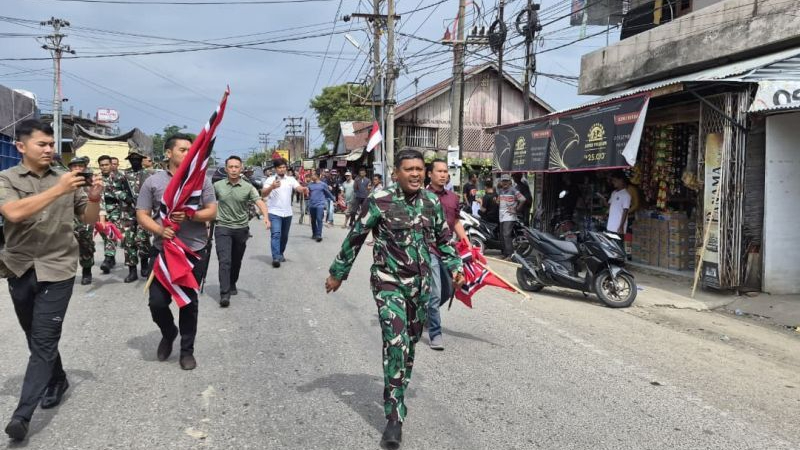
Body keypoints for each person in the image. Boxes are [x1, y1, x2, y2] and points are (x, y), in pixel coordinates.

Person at [325, 149, 464, 449]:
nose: (415, 174)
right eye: (409, 169)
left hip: (420, 286)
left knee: (409, 344)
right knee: (396, 341)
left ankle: (396, 387)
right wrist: (338, 272)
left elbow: (443, 239)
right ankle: (394, 416)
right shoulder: (379, 200)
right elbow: (356, 237)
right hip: (388, 282)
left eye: (419, 169)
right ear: (396, 173)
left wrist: (456, 268)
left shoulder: (431, 203)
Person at [0, 120, 104, 441]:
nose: (49, 150)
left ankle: (22, 415)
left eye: (51, 144)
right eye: (42, 144)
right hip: (19, 267)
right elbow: (14, 213)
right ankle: (57, 378)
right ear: (21, 147)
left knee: (44, 338)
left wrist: (94, 198)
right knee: (35, 335)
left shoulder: (66, 179)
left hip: (58, 268)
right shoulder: (6, 178)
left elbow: (86, 219)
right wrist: (59, 189)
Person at [136, 133, 218, 371]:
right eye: (183, 150)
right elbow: (142, 213)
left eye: (191, 150)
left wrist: (192, 215)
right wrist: (160, 230)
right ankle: (169, 331)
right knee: (157, 303)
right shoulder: (153, 182)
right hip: (163, 251)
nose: (188, 153)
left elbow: (211, 211)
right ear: (169, 153)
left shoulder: (201, 181)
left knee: (188, 304)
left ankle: (186, 351)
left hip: (193, 250)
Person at [213, 156, 269, 307]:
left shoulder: (248, 187)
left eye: (236, 167)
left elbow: (259, 202)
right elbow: (209, 204)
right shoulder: (217, 186)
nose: (233, 169)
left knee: (236, 261)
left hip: (241, 229)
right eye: (230, 167)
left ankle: (232, 283)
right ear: (226, 169)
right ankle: (224, 294)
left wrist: (266, 217)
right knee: (225, 261)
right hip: (222, 227)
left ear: (241, 168)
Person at [426, 159, 470, 351]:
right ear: (430, 174)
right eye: (439, 171)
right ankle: (435, 333)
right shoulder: (422, 196)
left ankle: (426, 313)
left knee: (447, 290)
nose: (443, 175)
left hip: (448, 249)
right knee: (435, 293)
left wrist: (466, 241)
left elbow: (456, 221)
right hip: (428, 249)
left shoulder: (453, 197)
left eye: (446, 171)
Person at [261, 158, 308, 268]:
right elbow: (263, 194)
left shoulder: (290, 179)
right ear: (275, 169)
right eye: (279, 168)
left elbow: (298, 188)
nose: (282, 170)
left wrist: (304, 189)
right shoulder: (270, 180)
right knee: (276, 234)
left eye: (283, 167)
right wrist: (272, 187)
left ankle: (280, 253)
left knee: (284, 236)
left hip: (287, 213)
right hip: (274, 212)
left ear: (286, 168)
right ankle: (275, 257)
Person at [97, 154, 137, 280]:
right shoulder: (96, 179)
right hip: (102, 211)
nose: (104, 167)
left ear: (111, 165)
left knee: (121, 238)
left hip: (120, 211)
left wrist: (127, 199)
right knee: (106, 235)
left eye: (106, 164)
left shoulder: (121, 177)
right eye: (101, 165)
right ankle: (110, 258)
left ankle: (114, 261)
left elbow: (129, 193)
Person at [123, 150, 154, 279]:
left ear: (141, 160)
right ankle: (132, 271)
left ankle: (145, 264)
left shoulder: (148, 175)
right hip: (128, 213)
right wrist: (125, 197)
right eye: (132, 159)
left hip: (144, 212)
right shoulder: (123, 175)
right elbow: (114, 190)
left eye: (137, 159)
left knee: (143, 240)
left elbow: (154, 192)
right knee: (129, 241)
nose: (134, 161)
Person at [67, 156, 97, 285]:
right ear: (70, 168)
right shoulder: (64, 181)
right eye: (75, 166)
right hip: (67, 219)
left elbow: (98, 200)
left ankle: (87, 271)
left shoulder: (91, 182)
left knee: (86, 244)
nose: (78, 168)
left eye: (80, 166)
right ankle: (67, 274)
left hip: (84, 219)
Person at [497, 174, 526, 260]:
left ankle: (510, 255)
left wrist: (516, 209)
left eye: (506, 181)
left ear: (510, 182)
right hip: (502, 216)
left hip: (509, 216)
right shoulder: (501, 191)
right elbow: (500, 201)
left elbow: (523, 199)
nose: (505, 182)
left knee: (506, 235)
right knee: (502, 235)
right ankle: (505, 254)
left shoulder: (513, 190)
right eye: (503, 181)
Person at [307, 171, 335, 242]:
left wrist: (334, 200)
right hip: (312, 204)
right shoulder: (310, 184)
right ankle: (314, 233)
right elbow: (307, 193)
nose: (311, 177)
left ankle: (319, 235)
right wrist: (305, 192)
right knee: (313, 220)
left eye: (312, 175)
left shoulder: (323, 185)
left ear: (317, 176)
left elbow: (328, 193)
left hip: (320, 204)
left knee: (319, 219)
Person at [601, 172, 632, 236]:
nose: (613, 182)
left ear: (621, 181)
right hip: (610, 226)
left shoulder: (626, 195)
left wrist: (621, 226)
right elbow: (608, 206)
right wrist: (603, 199)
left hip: (618, 228)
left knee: (617, 245)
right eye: (613, 180)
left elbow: (625, 211)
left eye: (615, 180)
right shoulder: (614, 193)